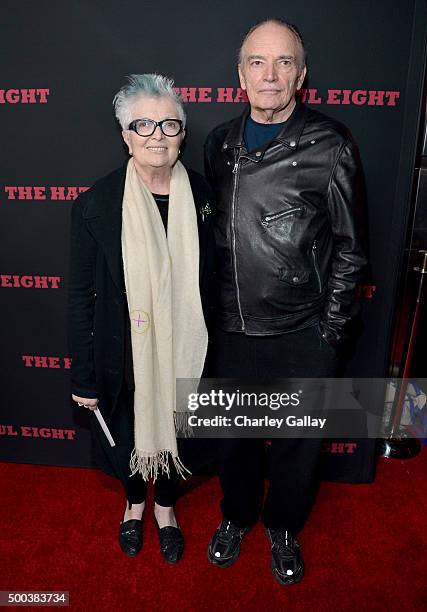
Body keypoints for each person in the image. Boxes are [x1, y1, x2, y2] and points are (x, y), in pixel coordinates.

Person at [204, 19, 367, 585]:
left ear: (302, 74)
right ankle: (237, 515)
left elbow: (351, 248)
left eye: (283, 63)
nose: (269, 76)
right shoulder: (218, 144)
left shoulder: (331, 143)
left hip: (303, 331)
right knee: (234, 439)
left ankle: (284, 526)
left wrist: (331, 332)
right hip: (228, 328)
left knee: (299, 447)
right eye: (257, 62)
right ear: (239, 74)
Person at [68, 73, 214, 563]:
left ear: (183, 135)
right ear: (125, 135)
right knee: (128, 428)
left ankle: (166, 509)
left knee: (183, 425)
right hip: (123, 353)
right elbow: (80, 298)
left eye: (169, 124)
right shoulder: (96, 204)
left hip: (189, 353)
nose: (157, 135)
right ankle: (135, 504)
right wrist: (84, 375)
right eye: (143, 124)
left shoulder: (209, 200)